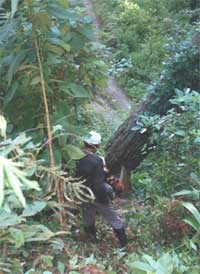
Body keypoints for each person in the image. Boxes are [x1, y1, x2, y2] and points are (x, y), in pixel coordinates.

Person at [75, 130, 127, 247]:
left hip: (83, 194)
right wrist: (106, 197)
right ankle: (124, 244)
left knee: (88, 217)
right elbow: (98, 183)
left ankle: (91, 241)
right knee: (113, 218)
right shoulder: (97, 160)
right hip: (97, 195)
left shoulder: (77, 157)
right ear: (96, 146)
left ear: (85, 143)